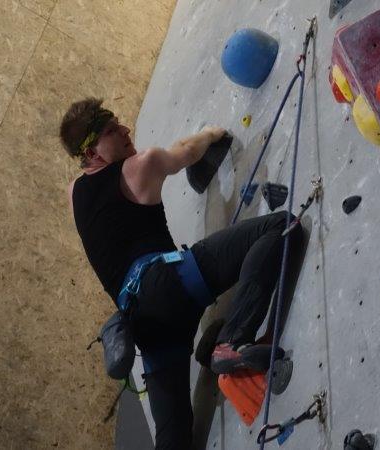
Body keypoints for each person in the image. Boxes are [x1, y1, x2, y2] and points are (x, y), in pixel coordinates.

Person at [61, 98, 301, 449]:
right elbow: (186, 151)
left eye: (119, 123)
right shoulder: (142, 165)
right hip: (170, 284)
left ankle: (216, 348)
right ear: (93, 154)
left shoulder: (73, 193)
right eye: (112, 131)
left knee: (171, 438)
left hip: (145, 328)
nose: (127, 131)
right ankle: (232, 341)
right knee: (282, 226)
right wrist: (209, 132)